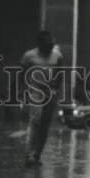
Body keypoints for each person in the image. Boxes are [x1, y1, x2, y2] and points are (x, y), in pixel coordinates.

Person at [20, 30, 64, 166]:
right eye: (47, 46)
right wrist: (21, 91)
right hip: (35, 92)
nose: (50, 48)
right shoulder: (29, 56)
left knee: (45, 125)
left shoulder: (57, 56)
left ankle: (37, 154)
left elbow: (60, 73)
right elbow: (21, 74)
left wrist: (56, 88)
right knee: (35, 121)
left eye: (52, 45)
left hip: (50, 93)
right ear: (40, 45)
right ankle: (29, 154)